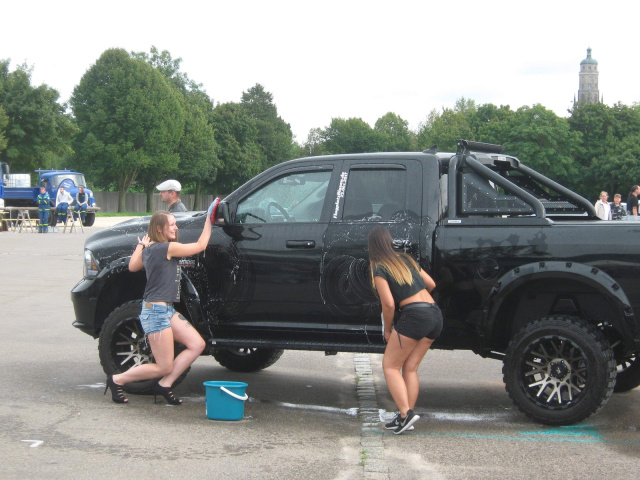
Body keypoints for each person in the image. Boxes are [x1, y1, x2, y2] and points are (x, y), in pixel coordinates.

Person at [104, 200, 218, 404]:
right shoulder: (167, 248)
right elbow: (200, 246)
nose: (176, 227)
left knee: (197, 344)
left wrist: (141, 245)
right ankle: (117, 379)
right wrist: (209, 220)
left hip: (166, 310)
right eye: (172, 224)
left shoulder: (150, 249)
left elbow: (132, 266)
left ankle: (165, 384)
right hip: (156, 312)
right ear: (159, 228)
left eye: (175, 223)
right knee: (163, 365)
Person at [368, 225, 442, 435]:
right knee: (410, 367)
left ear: (371, 246)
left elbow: (389, 304)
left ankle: (405, 413)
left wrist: (388, 329)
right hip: (435, 314)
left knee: (390, 366)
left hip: (415, 316)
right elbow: (431, 284)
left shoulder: (379, 268)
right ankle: (405, 416)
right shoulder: (407, 260)